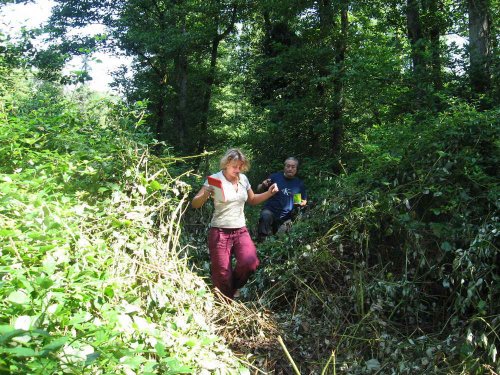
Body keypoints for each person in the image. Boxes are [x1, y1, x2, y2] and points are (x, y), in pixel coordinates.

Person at [191, 148, 278, 299]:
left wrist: (269, 193)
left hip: (240, 230)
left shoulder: (243, 179)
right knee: (222, 272)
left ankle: (233, 287)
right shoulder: (215, 179)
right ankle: (226, 303)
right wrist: (206, 193)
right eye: (234, 166)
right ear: (226, 164)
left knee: (249, 262)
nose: (237, 170)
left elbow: (252, 200)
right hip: (220, 231)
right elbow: (195, 204)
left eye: (240, 166)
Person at [257, 157, 307, 241]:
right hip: (270, 210)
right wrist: (263, 185)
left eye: (293, 167)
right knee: (265, 216)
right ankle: (260, 242)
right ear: (284, 167)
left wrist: (301, 203)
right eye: (288, 166)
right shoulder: (275, 177)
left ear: (296, 169)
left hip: (286, 216)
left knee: (280, 239)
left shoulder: (298, 184)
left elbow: (302, 201)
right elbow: (259, 189)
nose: (290, 169)